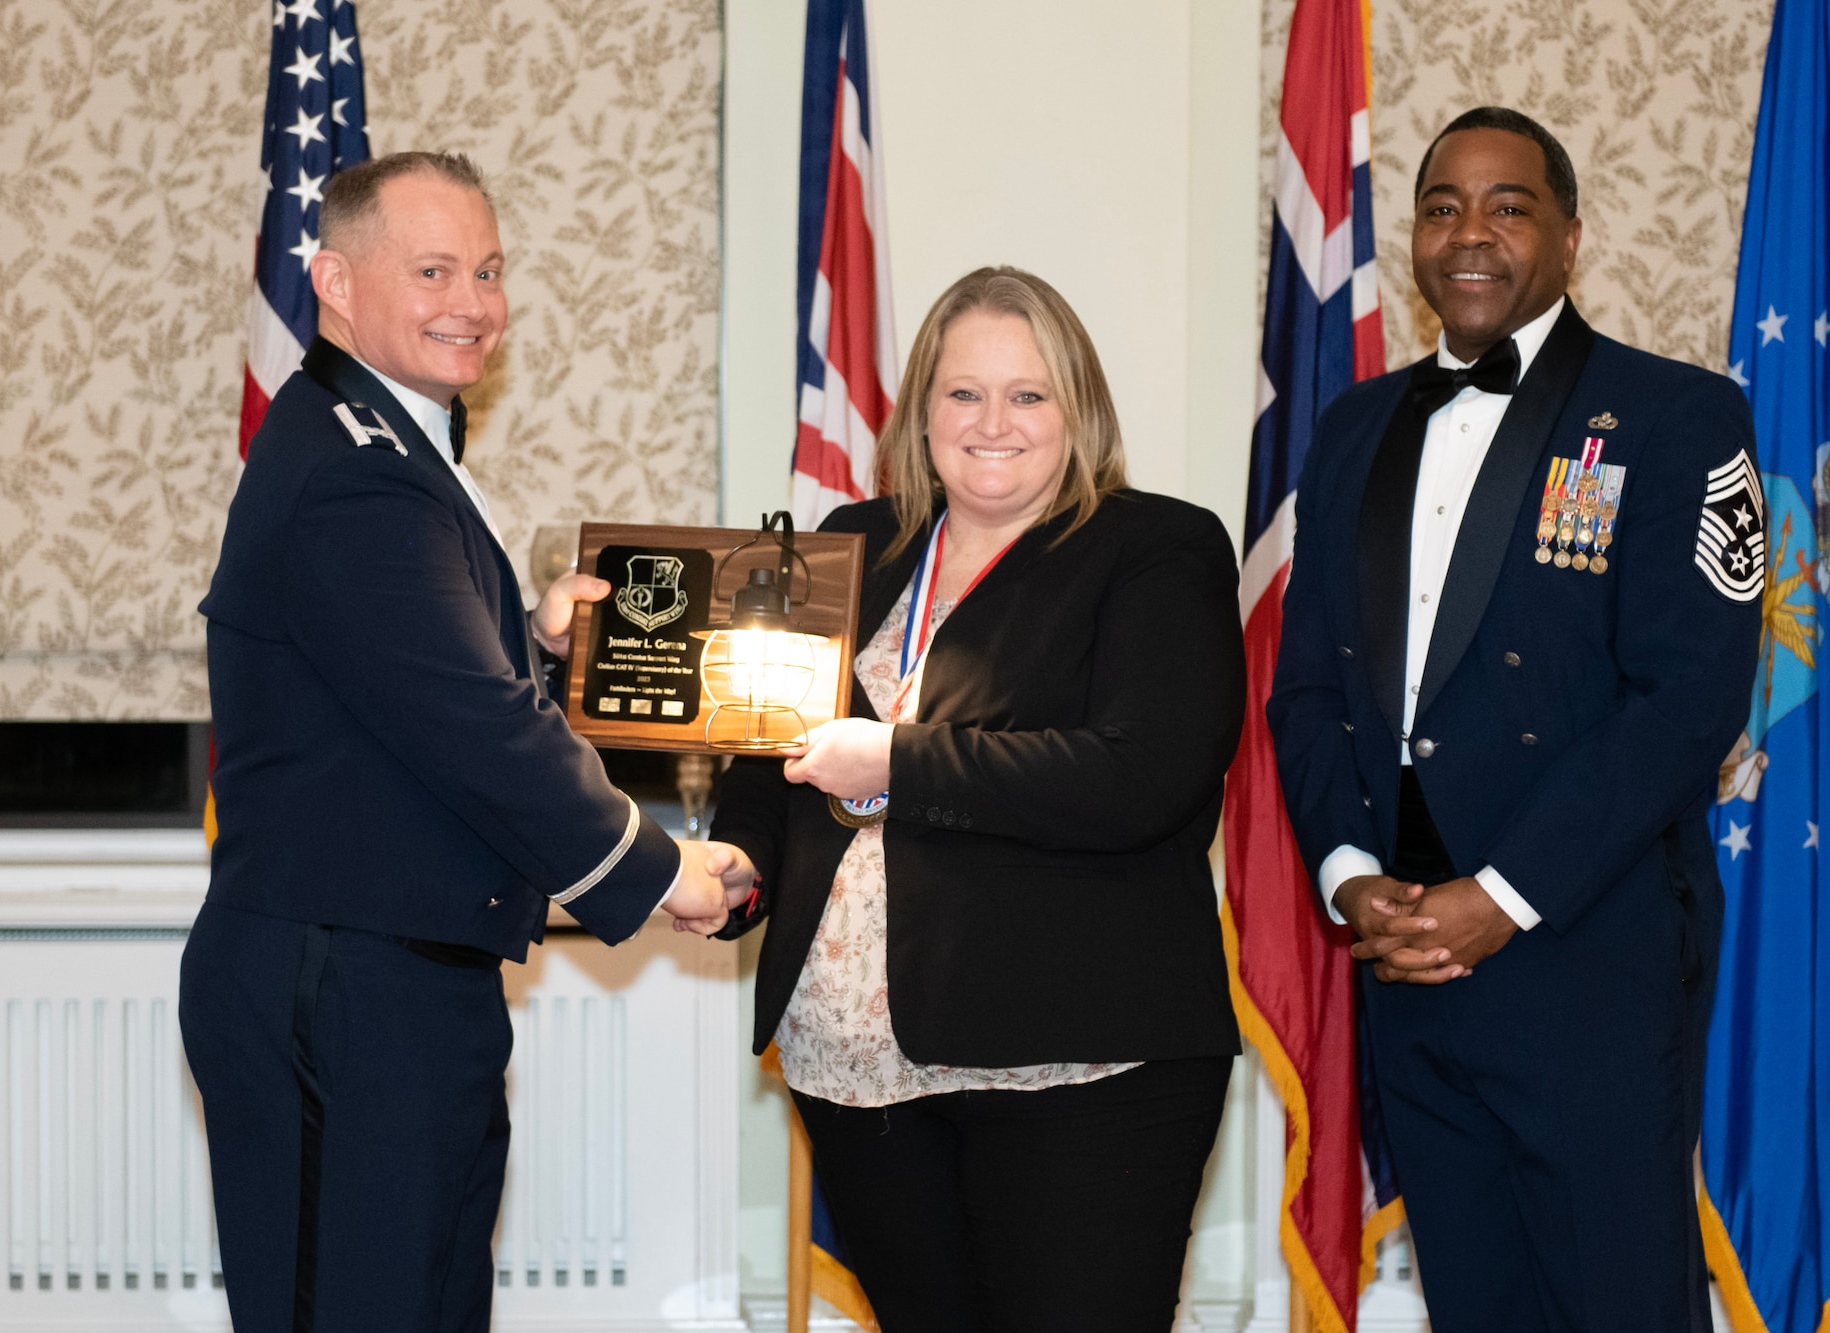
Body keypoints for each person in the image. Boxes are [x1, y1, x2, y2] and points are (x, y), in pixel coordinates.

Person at [180, 151, 742, 1333]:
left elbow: (401, 694)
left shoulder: (386, 442)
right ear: (333, 279)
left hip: (394, 977)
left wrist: (531, 645)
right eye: (432, 269)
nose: (472, 303)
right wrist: (659, 866)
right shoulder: (359, 474)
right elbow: (471, 730)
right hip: (345, 986)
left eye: (487, 269)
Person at [1267, 108, 1763, 1333]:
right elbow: (1308, 688)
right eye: (1440, 206)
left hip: (1583, 945)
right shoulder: (1351, 429)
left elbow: (1684, 702)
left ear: (1568, 236)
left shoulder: (1674, 418)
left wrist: (1500, 895)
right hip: (1405, 949)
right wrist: (1345, 874)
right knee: (1474, 1302)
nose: (1468, 232)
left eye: (1507, 205)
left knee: (1616, 1303)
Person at [705, 267, 1245, 1332]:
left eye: (1028, 394)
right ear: (919, 411)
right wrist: (737, 863)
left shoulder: (1155, 549)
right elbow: (763, 752)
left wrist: (900, 762)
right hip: (856, 1064)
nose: (991, 422)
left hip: (1080, 1059)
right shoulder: (850, 542)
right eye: (962, 393)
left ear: (1077, 411)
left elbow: (1138, 776)